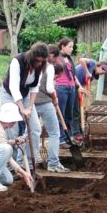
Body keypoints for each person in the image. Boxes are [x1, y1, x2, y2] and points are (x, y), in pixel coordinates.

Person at [0, 42, 48, 164]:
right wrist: (22, 108)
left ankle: (29, 163)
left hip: (26, 96)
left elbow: (34, 88)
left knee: (35, 128)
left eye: (42, 61)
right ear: (32, 57)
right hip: (9, 95)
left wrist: (30, 107)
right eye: (37, 61)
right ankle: (13, 164)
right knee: (12, 130)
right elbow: (14, 87)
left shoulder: (40, 66)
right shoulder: (17, 61)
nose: (39, 63)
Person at [33, 44, 69, 173]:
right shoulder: (50, 67)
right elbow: (49, 88)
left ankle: (25, 163)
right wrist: (55, 98)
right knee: (54, 133)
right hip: (45, 102)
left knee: (30, 133)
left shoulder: (33, 65)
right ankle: (53, 163)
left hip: (30, 103)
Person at [54, 37, 86, 146]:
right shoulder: (56, 57)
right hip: (61, 87)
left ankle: (67, 136)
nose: (72, 49)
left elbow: (73, 75)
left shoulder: (69, 58)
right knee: (61, 113)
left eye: (72, 47)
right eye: (70, 47)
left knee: (69, 114)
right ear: (62, 46)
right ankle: (61, 138)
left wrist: (79, 86)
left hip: (71, 87)